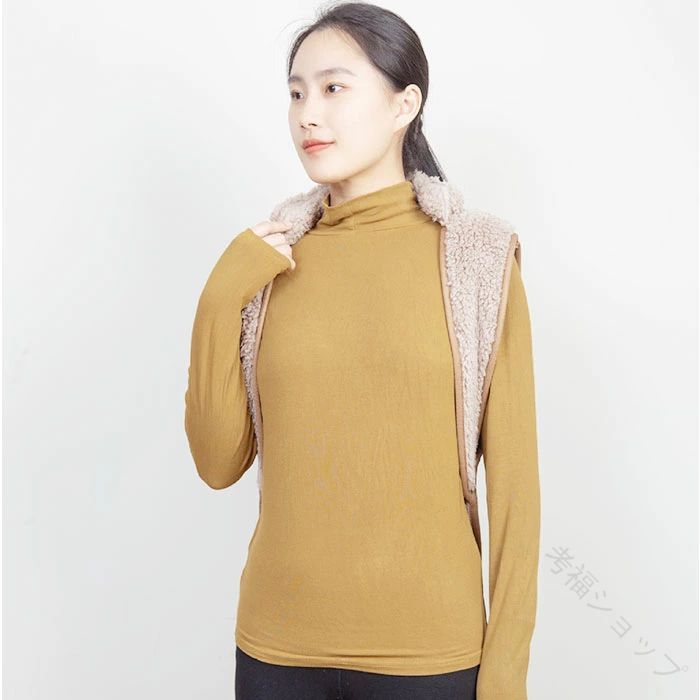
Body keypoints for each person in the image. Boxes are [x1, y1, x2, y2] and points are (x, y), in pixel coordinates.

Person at [184, 3, 540, 698]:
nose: (308, 114)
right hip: (275, 651)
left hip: (430, 657)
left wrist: (506, 676)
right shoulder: (267, 263)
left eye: (333, 88)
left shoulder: (477, 258)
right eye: (296, 93)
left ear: (405, 104)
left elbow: (517, 494)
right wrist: (220, 297)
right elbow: (218, 463)